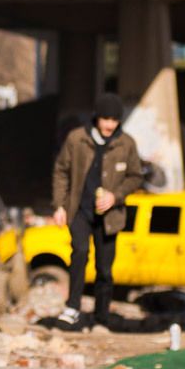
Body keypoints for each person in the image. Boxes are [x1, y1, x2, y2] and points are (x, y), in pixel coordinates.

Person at [51, 93, 147, 330]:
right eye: (105, 119)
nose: (109, 125)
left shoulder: (126, 144)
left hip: (110, 217)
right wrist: (59, 206)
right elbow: (61, 171)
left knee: (104, 268)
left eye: (114, 120)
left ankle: (101, 316)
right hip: (80, 210)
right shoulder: (77, 139)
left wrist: (116, 197)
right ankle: (72, 307)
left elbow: (135, 176)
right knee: (80, 253)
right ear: (96, 118)